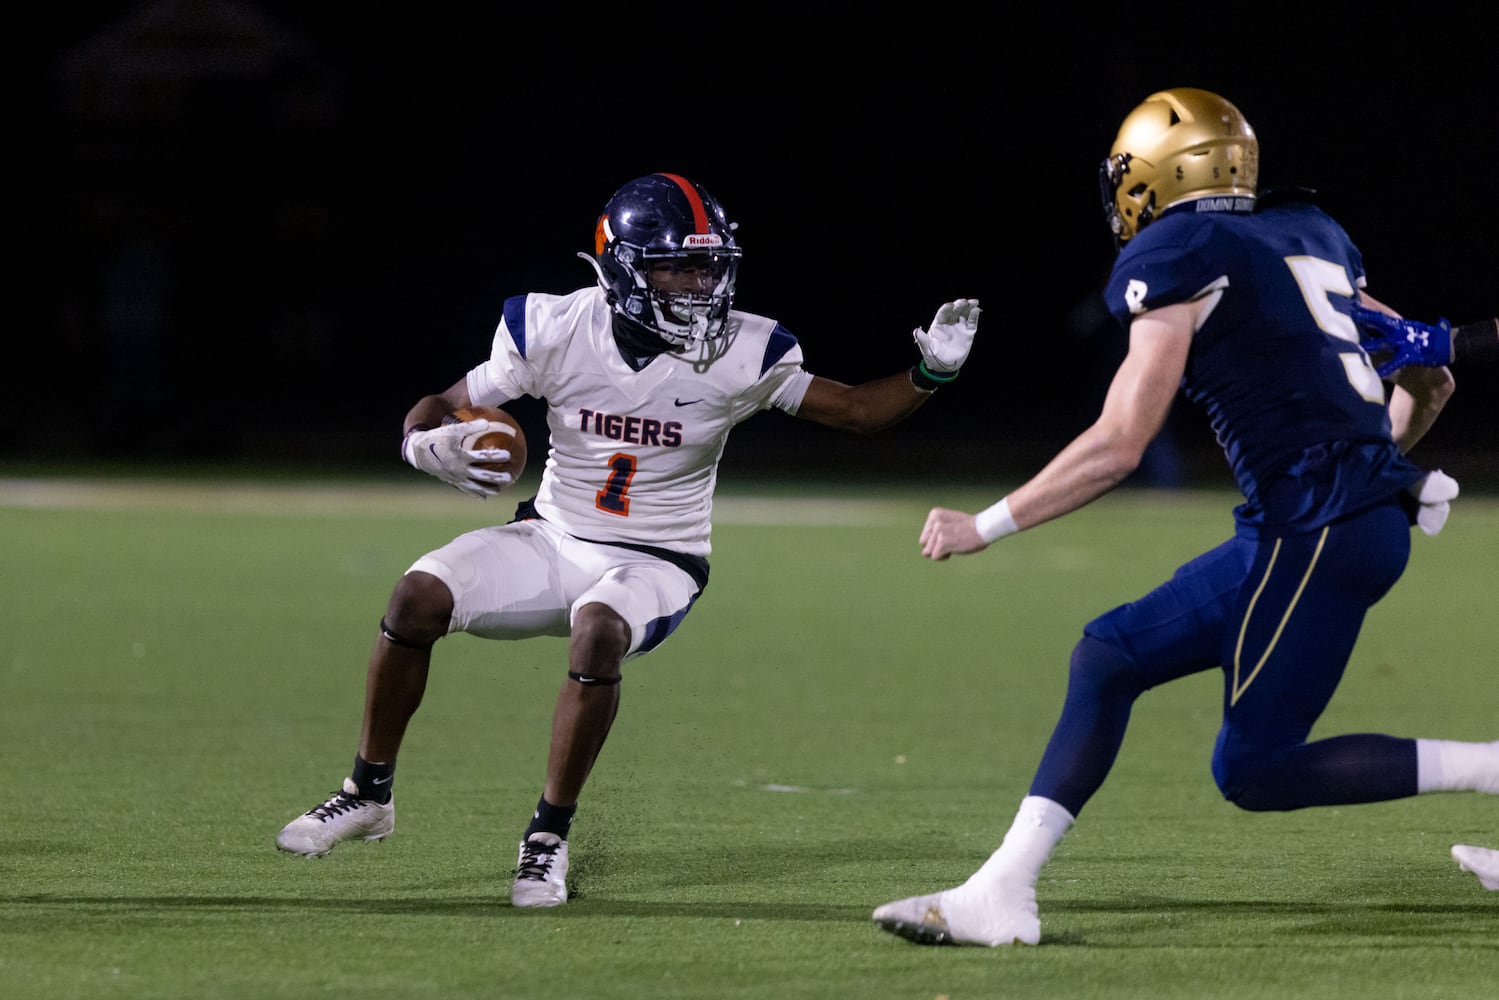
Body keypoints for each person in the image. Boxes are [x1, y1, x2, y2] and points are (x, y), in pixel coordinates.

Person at [871, 87, 1499, 948]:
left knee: (1254, 768)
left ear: (1151, 179)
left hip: (1314, 526)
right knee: (1109, 654)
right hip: (1317, 521)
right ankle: (999, 891)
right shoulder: (1311, 234)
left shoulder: (1180, 248)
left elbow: (1121, 443)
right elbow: (1432, 379)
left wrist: (983, 525)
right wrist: (1374, 469)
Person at [273, 171, 981, 908]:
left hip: (657, 559)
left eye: (710, 267)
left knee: (598, 630)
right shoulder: (553, 327)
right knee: (416, 595)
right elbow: (449, 403)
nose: (701, 286)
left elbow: (859, 412)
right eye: (679, 266)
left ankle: (547, 837)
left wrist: (931, 370)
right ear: (622, 267)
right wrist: (424, 443)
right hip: (551, 537)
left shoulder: (744, 350)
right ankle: (367, 792)